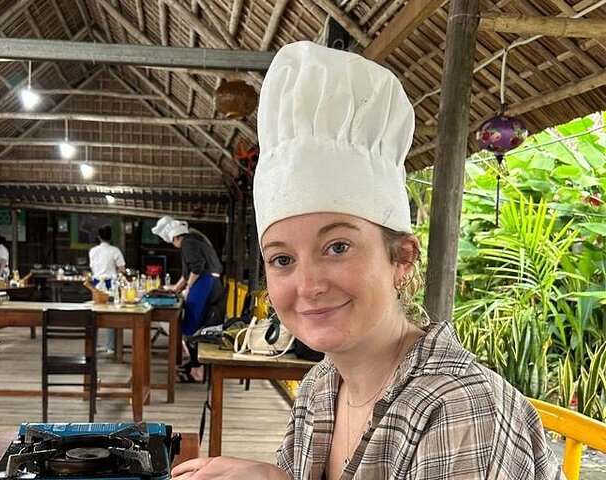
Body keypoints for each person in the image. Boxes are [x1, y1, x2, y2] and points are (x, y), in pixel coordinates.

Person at [172, 42, 563, 479]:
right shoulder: (320, 387)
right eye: (282, 258)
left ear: (402, 258)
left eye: (337, 247)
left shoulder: (463, 409)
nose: (309, 285)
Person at [152, 216, 225, 382]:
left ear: (176, 237)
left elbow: (197, 268)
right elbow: (188, 273)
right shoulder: (195, 241)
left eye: (172, 242)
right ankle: (195, 364)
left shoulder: (187, 244)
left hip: (205, 284)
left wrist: (189, 287)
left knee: (191, 326)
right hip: (211, 284)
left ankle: (196, 368)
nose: (173, 245)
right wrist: (177, 287)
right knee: (195, 325)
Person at [89, 224, 126, 354]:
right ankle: (110, 346)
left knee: (95, 312)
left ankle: (93, 344)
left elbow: (93, 268)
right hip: (111, 283)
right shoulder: (115, 250)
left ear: (99, 237)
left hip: (97, 283)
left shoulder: (93, 251)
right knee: (111, 313)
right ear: (111, 237)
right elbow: (122, 269)